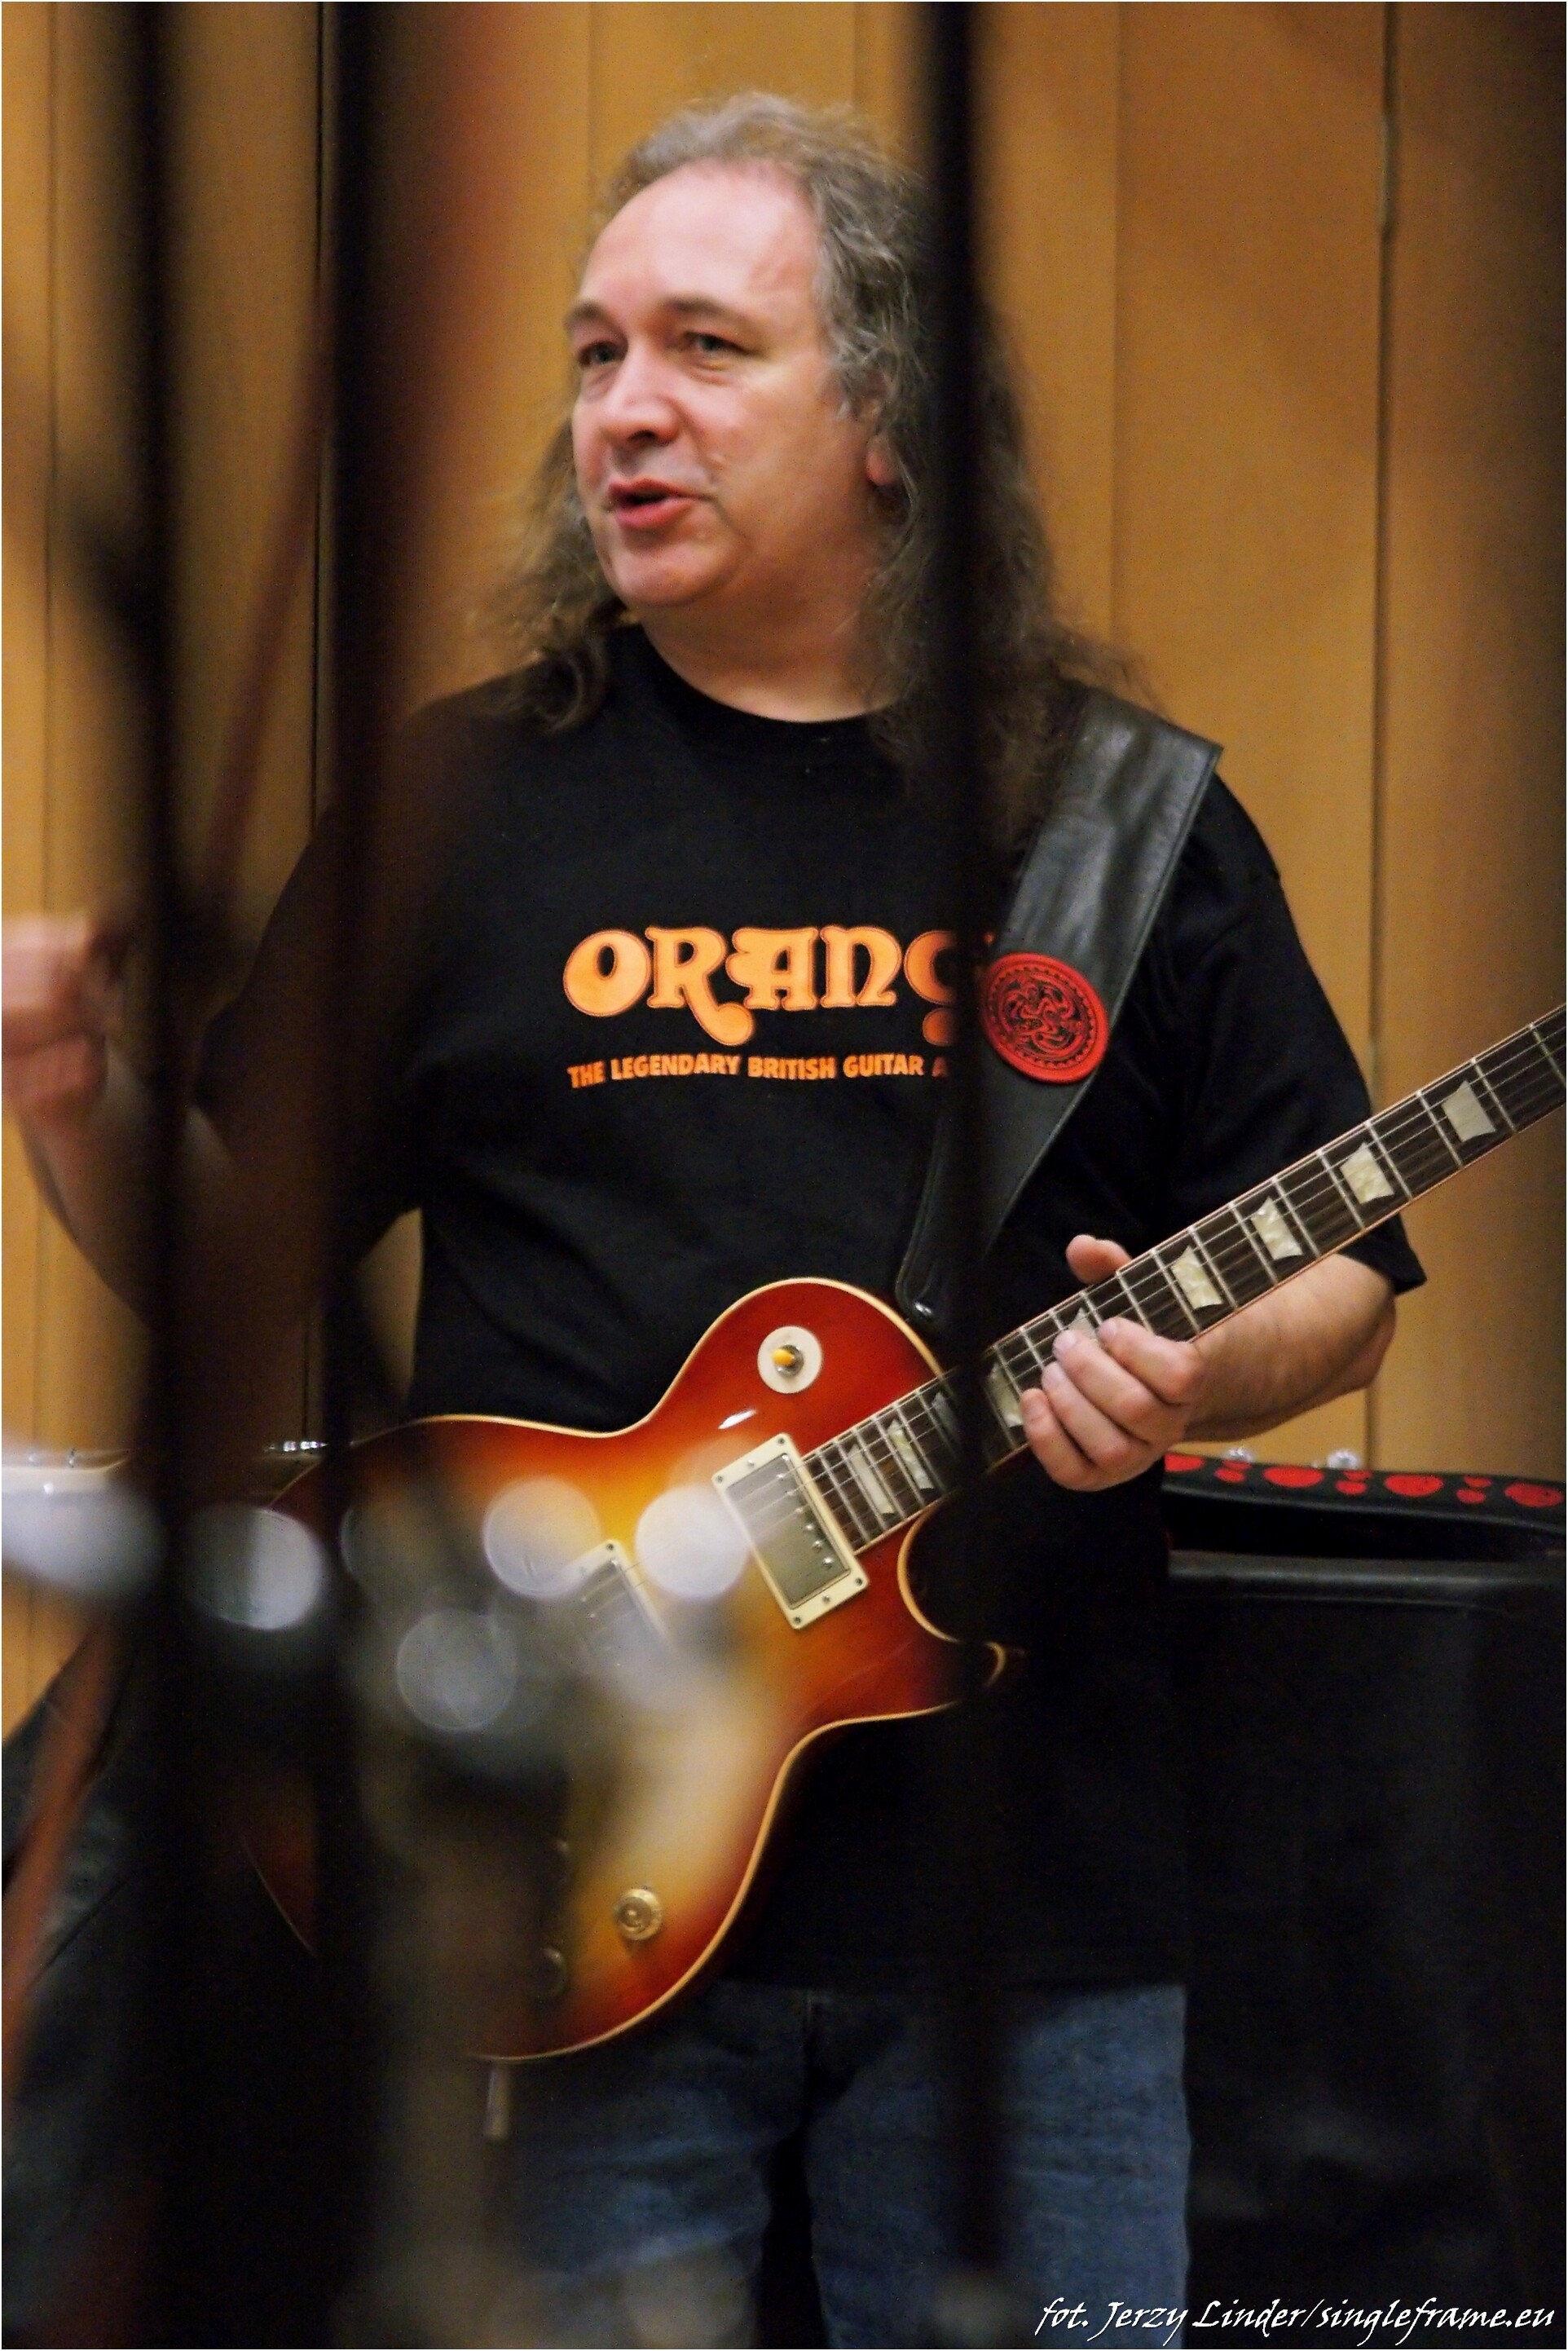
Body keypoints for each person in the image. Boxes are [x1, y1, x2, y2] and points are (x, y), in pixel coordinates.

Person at [4, 96, 1422, 2351]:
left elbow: (1336, 1260)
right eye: (593, 353)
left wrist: (1198, 1372)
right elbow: (230, 1261)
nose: (623, 409)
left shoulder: (1120, 819)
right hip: (563, 1888)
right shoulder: (457, 807)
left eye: (704, 346)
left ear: (888, 423)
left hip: (1028, 1911)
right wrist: (75, 1099)